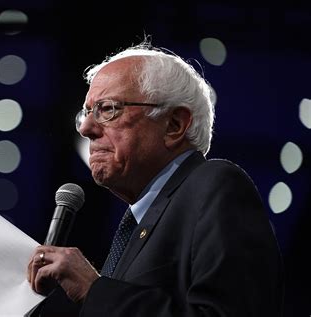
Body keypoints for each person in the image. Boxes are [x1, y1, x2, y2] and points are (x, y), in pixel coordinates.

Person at [27, 38, 284, 316]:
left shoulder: (216, 185)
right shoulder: (139, 222)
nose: (86, 128)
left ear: (173, 125)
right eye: (87, 113)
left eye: (108, 109)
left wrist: (93, 290)